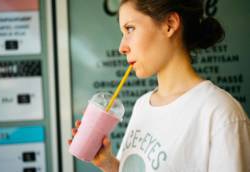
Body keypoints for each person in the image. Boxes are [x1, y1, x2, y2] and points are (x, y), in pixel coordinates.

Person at [69, 0, 250, 171]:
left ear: (169, 24)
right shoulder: (143, 105)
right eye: (122, 34)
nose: (122, 47)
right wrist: (109, 164)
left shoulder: (220, 113)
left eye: (130, 28)